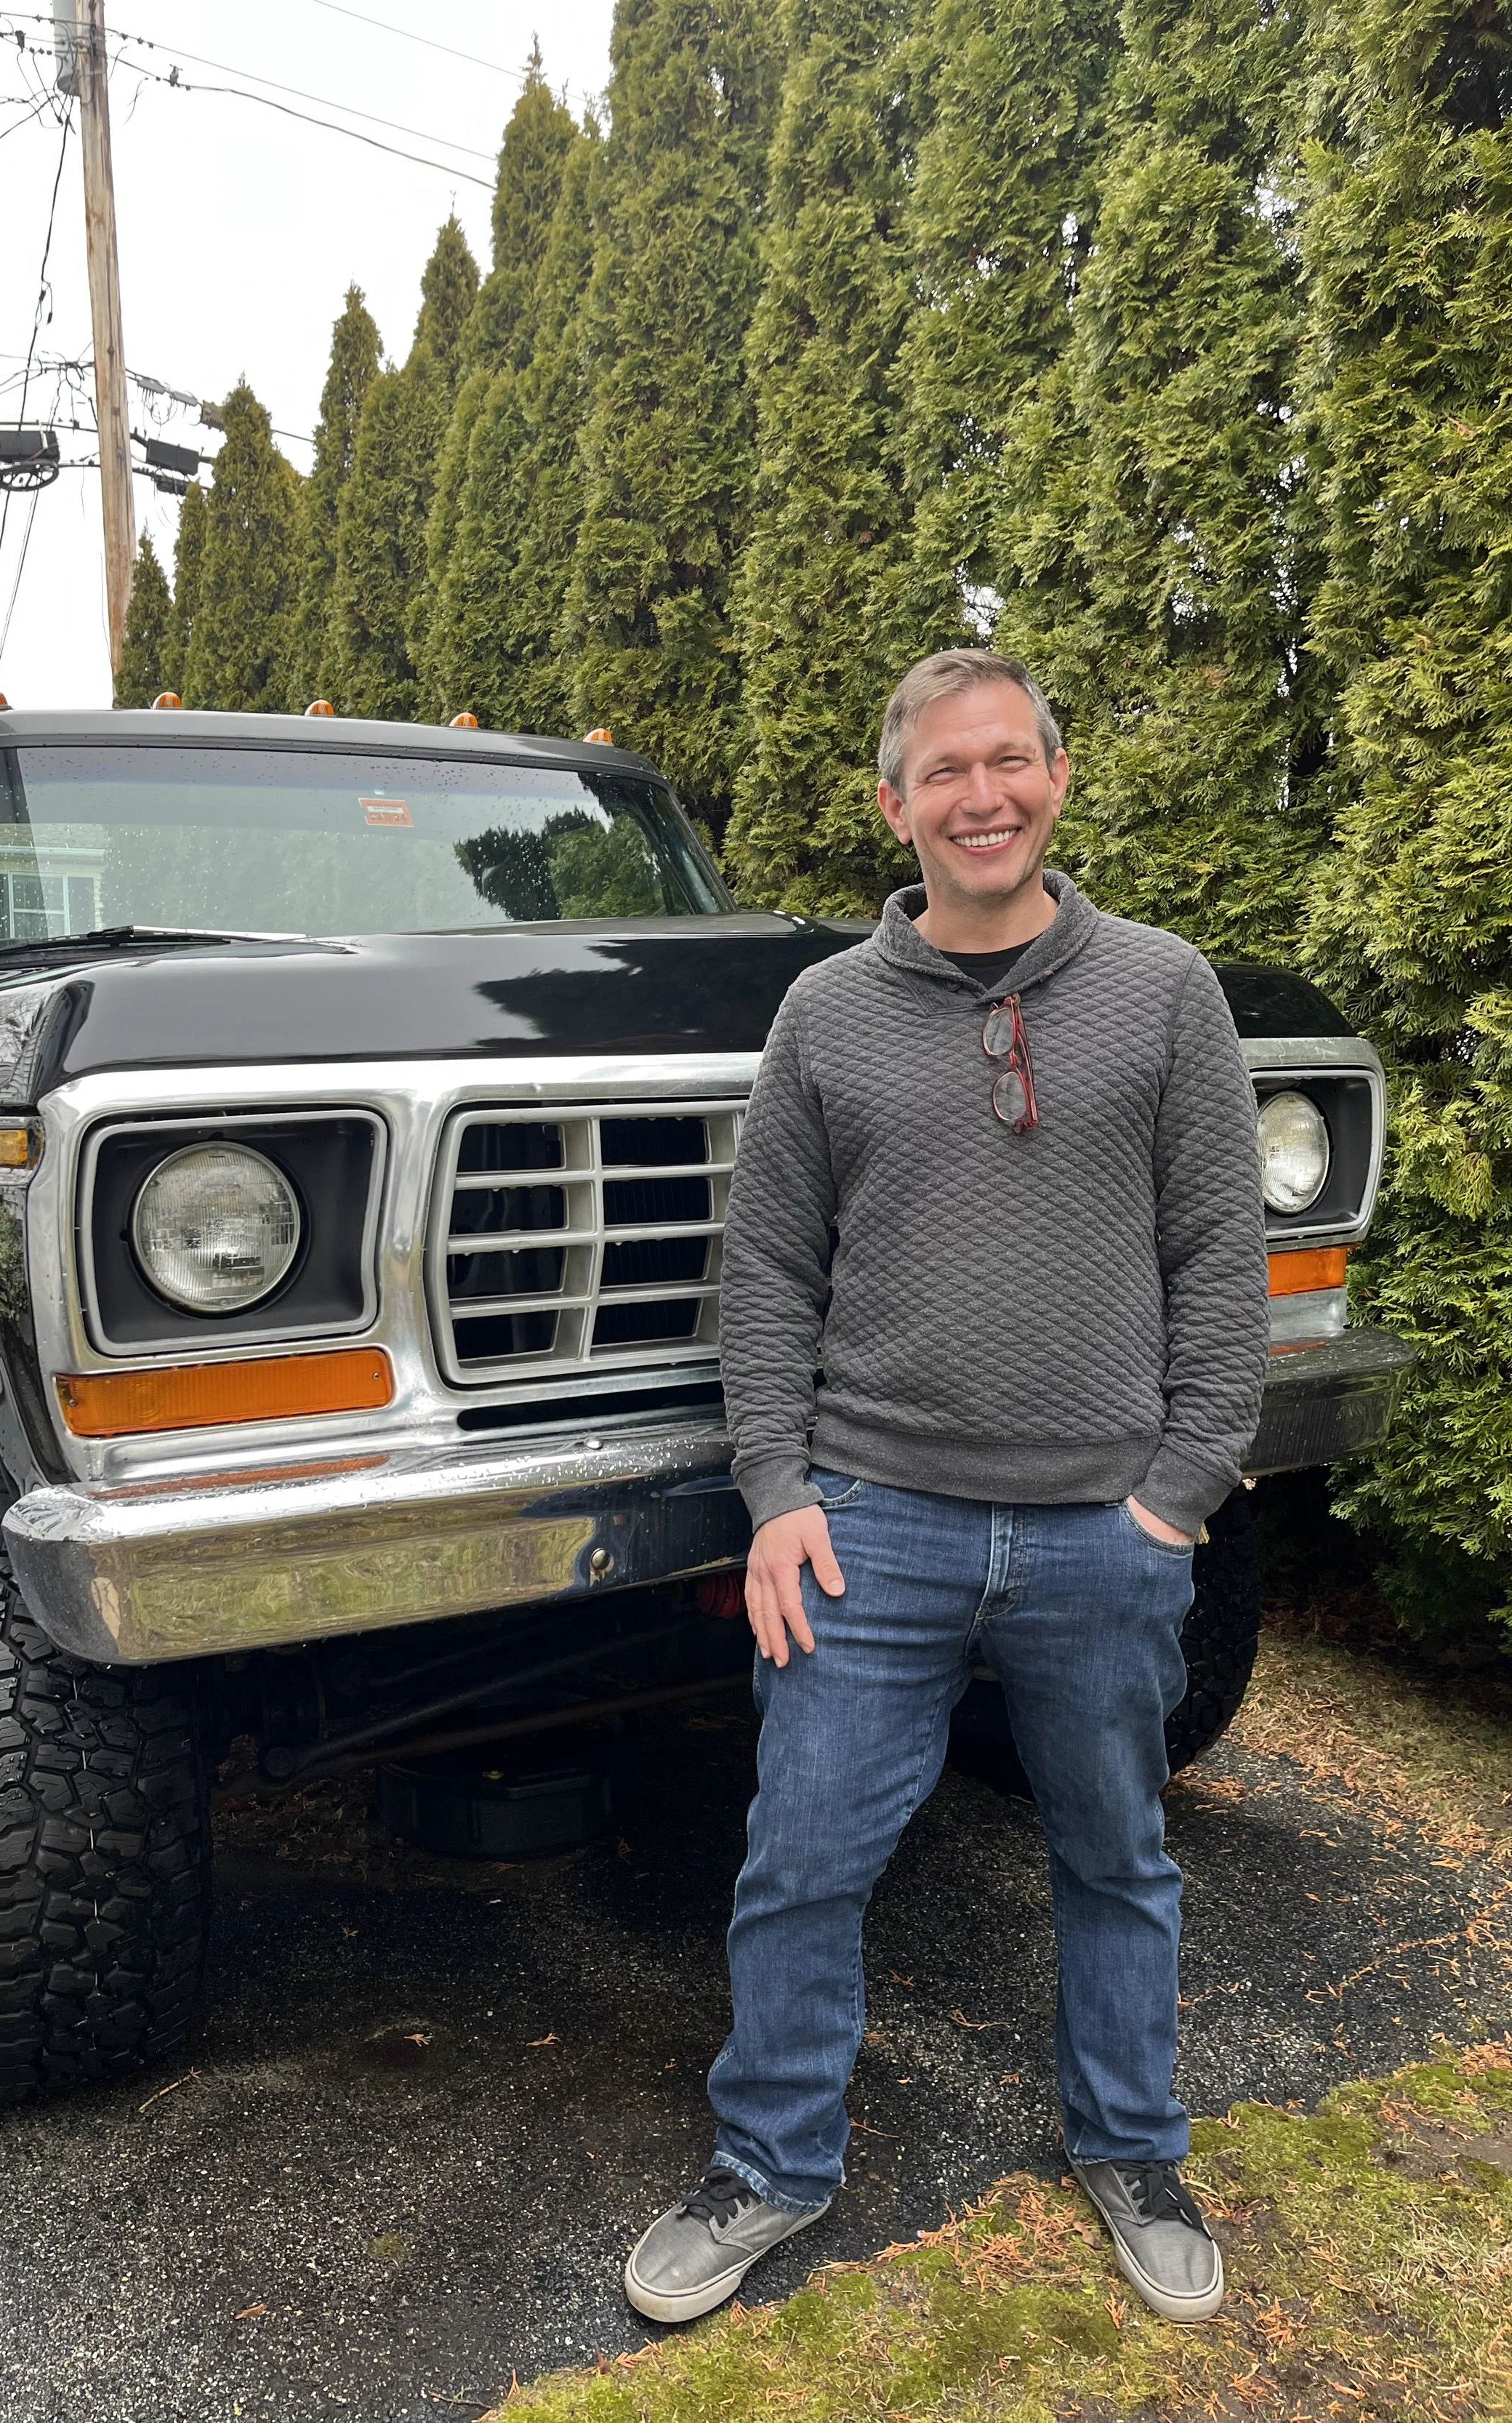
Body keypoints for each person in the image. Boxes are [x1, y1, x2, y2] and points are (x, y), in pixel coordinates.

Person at [624, 649, 1268, 2330]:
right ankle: (770, 2163)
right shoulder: (824, 1014)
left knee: (1115, 1859)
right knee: (800, 1861)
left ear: (1054, 776)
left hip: (1099, 1532)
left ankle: (1131, 2147)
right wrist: (774, 1489)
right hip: (870, 1526)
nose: (981, 795)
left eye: (1011, 761)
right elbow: (763, 1271)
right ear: (892, 803)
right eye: (945, 770)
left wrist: (1177, 1494)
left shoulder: (1163, 991)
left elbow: (1217, 1255)